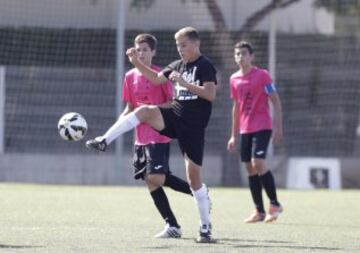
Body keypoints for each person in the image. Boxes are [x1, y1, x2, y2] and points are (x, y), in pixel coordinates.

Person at [86, 27, 216, 243]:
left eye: (183, 45)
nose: (180, 49)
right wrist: (136, 62)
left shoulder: (205, 65)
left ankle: (205, 227)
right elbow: (156, 79)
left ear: (196, 44)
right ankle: (104, 140)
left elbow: (210, 94)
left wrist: (185, 84)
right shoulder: (177, 65)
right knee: (144, 110)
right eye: (177, 45)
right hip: (174, 117)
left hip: (192, 129)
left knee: (194, 181)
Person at [117, 33, 193, 238]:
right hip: (139, 137)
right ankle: (173, 226)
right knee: (150, 181)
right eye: (137, 49)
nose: (140, 53)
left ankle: (197, 192)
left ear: (153, 52)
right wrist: (114, 130)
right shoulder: (129, 76)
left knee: (156, 177)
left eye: (145, 50)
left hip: (159, 133)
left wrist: (150, 110)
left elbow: (172, 103)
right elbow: (130, 108)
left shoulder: (161, 74)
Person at [227, 41, 284, 223]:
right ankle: (259, 211)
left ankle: (274, 204)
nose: (240, 57)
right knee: (249, 168)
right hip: (245, 128)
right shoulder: (234, 79)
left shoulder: (263, 76)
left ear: (251, 56)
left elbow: (275, 100)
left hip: (263, 125)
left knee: (258, 161)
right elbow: (236, 108)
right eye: (237, 54)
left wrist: (278, 126)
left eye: (244, 53)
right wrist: (233, 135)